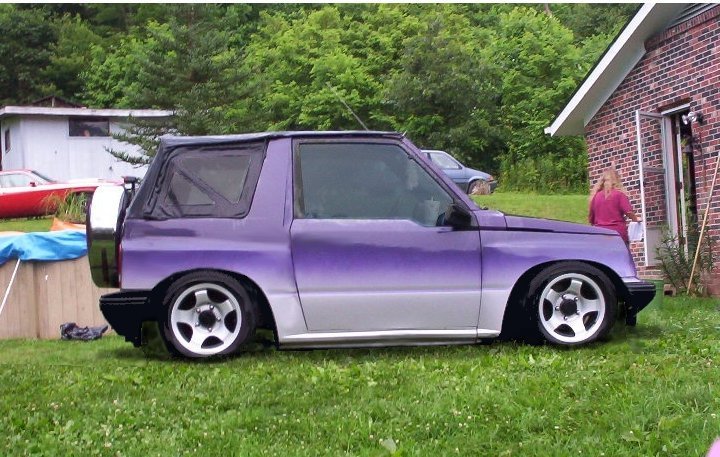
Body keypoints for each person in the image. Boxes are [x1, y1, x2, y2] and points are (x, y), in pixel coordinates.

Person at [588, 166, 640, 245]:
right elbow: (628, 212)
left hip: (599, 234)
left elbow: (591, 219)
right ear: (616, 180)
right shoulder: (619, 195)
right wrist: (636, 218)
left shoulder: (595, 197)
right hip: (617, 234)